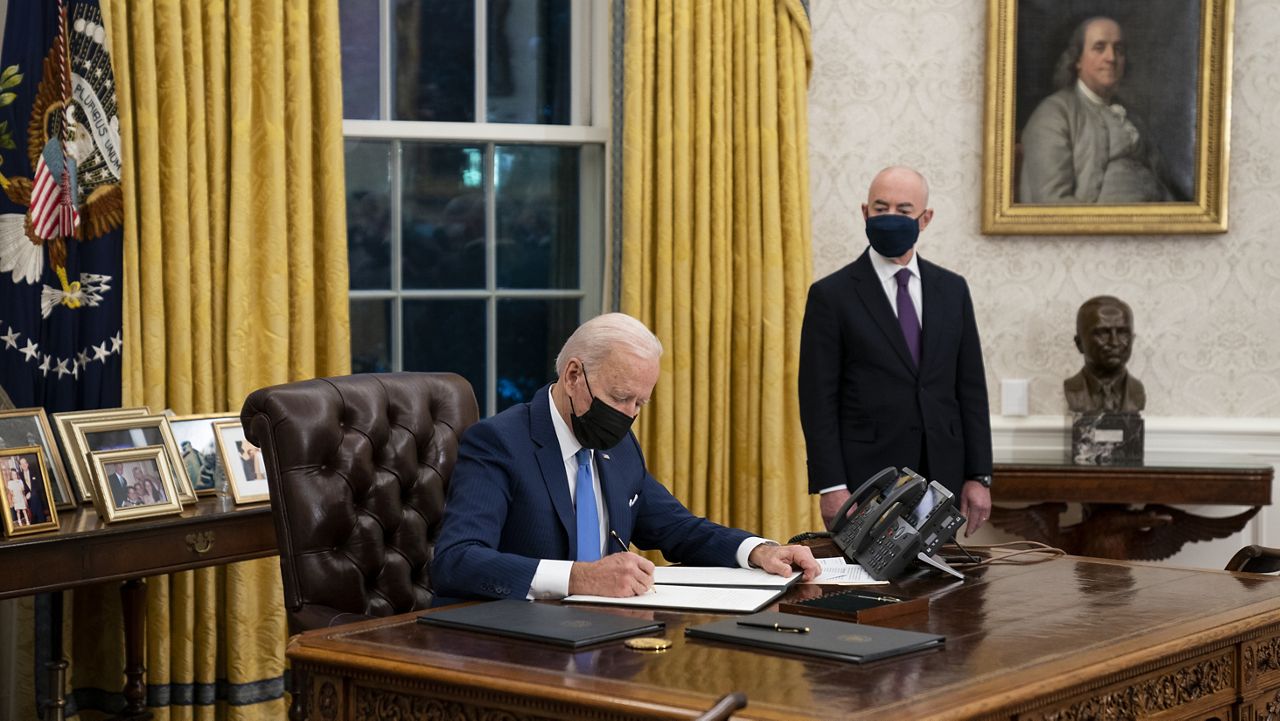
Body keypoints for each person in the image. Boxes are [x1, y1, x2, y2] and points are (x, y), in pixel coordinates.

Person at [431, 312, 821, 601]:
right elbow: (457, 560)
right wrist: (578, 578)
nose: (629, 414)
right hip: (515, 644)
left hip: (604, 637)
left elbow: (678, 528)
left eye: (640, 402)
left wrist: (758, 551)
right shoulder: (499, 442)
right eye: (619, 398)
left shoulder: (619, 447)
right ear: (572, 376)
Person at [798, 166, 993, 534]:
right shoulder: (831, 295)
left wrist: (979, 475)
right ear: (864, 213)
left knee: (943, 588)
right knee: (874, 587)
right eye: (880, 207)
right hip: (866, 482)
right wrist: (831, 486)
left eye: (903, 211)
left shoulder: (952, 289)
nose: (890, 218)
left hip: (942, 476)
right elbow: (817, 400)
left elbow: (971, 389)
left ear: (925, 218)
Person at [1019, 16, 1175, 204]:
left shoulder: (1131, 115)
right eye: (1099, 48)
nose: (1111, 58)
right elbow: (1052, 202)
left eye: (1118, 49)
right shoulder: (1053, 114)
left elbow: (1161, 182)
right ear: (1077, 60)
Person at [1064, 295, 1146, 413]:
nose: (1114, 342)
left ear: (1132, 339)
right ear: (1079, 343)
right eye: (1102, 333)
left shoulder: (1137, 391)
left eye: (1123, 333)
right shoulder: (1072, 389)